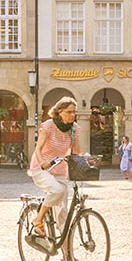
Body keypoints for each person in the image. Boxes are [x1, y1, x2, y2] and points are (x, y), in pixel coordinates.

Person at [27, 98, 85, 238]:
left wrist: (86, 159)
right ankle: (38, 219)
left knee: (63, 214)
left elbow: (76, 150)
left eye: (74, 112)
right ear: (59, 112)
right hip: (41, 169)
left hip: (60, 171)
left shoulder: (74, 128)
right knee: (57, 190)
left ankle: (67, 255)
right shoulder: (48, 126)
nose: (72, 115)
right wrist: (42, 162)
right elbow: (38, 149)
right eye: (69, 112)